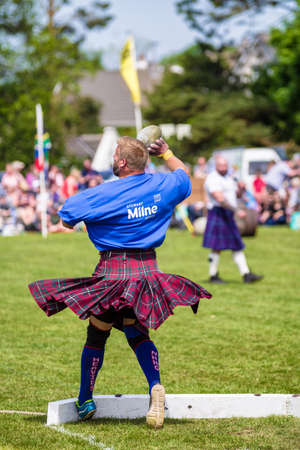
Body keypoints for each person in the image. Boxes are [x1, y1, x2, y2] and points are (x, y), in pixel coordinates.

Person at [28, 136, 211, 428]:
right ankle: (155, 386)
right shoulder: (163, 186)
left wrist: (95, 219)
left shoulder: (102, 193)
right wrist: (167, 152)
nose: (113, 159)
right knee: (136, 332)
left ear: (122, 163)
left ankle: (85, 399)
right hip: (147, 272)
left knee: (97, 333)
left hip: (113, 273)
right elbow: (183, 176)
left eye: (115, 155)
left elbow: (66, 218)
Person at [202, 156, 263, 284]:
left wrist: (241, 188)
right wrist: (236, 210)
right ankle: (213, 275)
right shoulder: (212, 178)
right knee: (216, 246)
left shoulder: (229, 177)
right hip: (218, 212)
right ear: (216, 166)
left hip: (228, 213)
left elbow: (237, 195)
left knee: (236, 244)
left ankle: (246, 274)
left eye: (225, 166)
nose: (224, 168)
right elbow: (219, 198)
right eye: (221, 166)